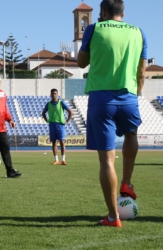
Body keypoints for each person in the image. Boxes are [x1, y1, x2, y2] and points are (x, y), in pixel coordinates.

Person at [77, 0, 147, 227]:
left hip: (101, 99)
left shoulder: (94, 28)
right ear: (123, 13)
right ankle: (127, 182)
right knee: (131, 134)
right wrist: (136, 94)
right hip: (129, 96)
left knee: (107, 160)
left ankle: (113, 217)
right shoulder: (138, 31)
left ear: (103, 12)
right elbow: (142, 71)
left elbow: (80, 63)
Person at [42, 89, 73, 165]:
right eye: (52, 94)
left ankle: (63, 160)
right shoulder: (48, 104)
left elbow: (71, 112)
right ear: (50, 95)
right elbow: (43, 113)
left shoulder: (61, 103)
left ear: (57, 94)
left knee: (62, 142)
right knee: (54, 143)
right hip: (52, 125)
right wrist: (47, 120)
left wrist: (67, 121)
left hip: (60, 125)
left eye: (55, 93)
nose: (54, 95)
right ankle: (56, 160)